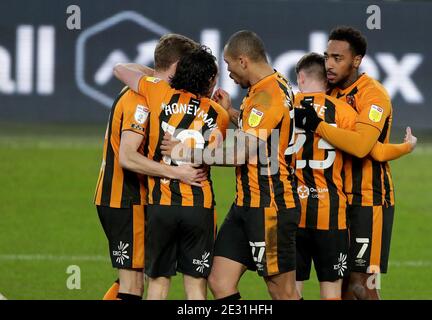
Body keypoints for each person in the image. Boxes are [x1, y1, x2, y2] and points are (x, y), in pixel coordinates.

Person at [162, 30, 301, 300]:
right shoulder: (270, 84)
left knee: (282, 291)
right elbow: (262, 129)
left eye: (229, 66)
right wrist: (232, 113)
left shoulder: (267, 96)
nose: (229, 73)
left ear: (243, 60)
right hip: (246, 204)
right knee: (219, 279)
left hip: (270, 207)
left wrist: (188, 152)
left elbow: (240, 154)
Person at [294, 26, 417, 300]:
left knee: (363, 283)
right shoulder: (331, 94)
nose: (329, 64)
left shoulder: (373, 95)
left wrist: (318, 126)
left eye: (338, 58)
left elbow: (362, 147)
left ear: (357, 60)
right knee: (345, 281)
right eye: (327, 57)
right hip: (336, 199)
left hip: (368, 199)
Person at [113, 45, 229, 300]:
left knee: (158, 283)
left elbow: (122, 71)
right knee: (196, 286)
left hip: (161, 203)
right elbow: (218, 152)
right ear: (210, 81)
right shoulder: (218, 114)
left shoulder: (158, 92)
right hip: (199, 205)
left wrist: (155, 75)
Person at [94, 33, 204, 300]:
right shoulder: (141, 100)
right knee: (132, 287)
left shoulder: (148, 90)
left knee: (129, 280)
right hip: (125, 198)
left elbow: (133, 71)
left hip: (125, 197)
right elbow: (128, 157)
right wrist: (176, 172)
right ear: (177, 66)